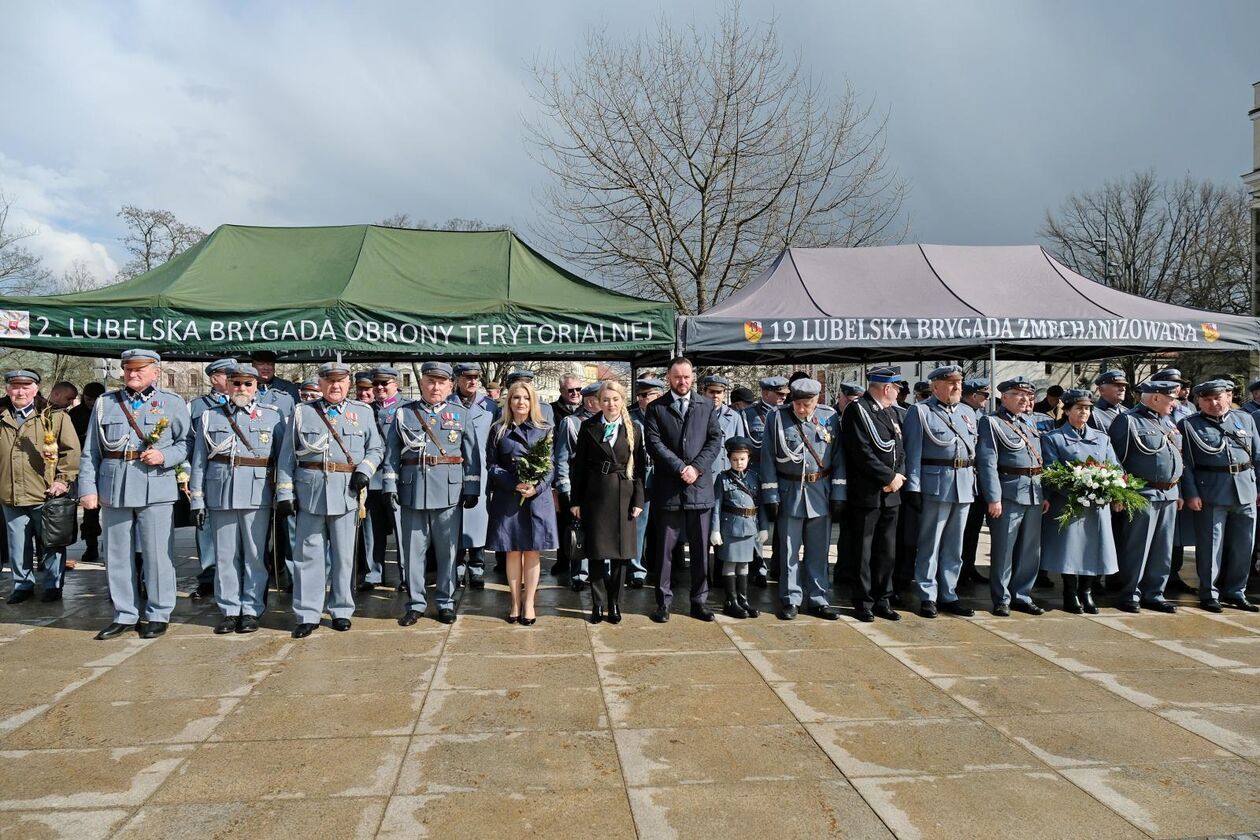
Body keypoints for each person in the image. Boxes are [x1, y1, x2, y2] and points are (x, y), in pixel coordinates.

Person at [80, 349, 191, 640]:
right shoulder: (106, 403)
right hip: (114, 488)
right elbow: (92, 451)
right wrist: (88, 489)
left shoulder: (171, 402)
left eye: (140, 369)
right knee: (116, 556)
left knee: (157, 555)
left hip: (155, 486)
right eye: (128, 369)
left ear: (156, 371)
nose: (133, 374)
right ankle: (125, 614)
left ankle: (158, 612)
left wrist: (165, 455)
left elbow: (186, 444)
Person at [275, 361, 383, 638]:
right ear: (320, 383)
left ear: (348, 384)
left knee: (344, 556)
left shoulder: (362, 412)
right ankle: (307, 613)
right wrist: (285, 492)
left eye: (340, 381)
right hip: (309, 492)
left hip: (345, 491)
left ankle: (342, 609)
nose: (335, 386)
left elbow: (376, 448)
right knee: (307, 556)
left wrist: (365, 471)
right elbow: (287, 455)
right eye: (329, 381)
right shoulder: (302, 412)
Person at [188, 364, 285, 634]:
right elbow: (198, 462)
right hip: (221, 494)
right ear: (227, 385)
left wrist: (284, 493)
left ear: (256, 387)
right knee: (225, 556)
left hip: (257, 495)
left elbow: (282, 459)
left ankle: (252, 609)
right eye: (236, 383)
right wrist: (197, 499)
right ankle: (230, 609)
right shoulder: (209, 417)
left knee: (255, 556)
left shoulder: (273, 417)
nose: (241, 389)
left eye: (247, 384)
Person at [386, 362, 480, 627]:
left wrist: (471, 488)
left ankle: (445, 602)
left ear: (450, 385)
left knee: (448, 552)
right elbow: (391, 454)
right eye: (430, 381)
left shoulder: (460, 414)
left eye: (441, 382)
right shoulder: (404, 414)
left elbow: (472, 457)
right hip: (412, 491)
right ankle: (415, 603)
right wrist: (390, 486)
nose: (435, 387)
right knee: (412, 552)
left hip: (449, 493)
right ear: (422, 382)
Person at [644, 357, 722, 622]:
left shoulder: (706, 405)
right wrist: (680, 467)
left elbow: (714, 440)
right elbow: (654, 443)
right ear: (669, 378)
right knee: (664, 551)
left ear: (693, 378)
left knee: (701, 551)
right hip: (669, 490)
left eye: (687, 377)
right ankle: (663, 602)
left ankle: (699, 601)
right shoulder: (656, 408)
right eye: (677, 377)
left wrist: (696, 468)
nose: (682, 382)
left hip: (699, 489)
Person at [760, 378, 844, 621]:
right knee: (788, 552)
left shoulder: (830, 418)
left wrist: (839, 493)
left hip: (820, 491)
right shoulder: (777, 418)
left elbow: (839, 459)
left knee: (819, 551)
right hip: (789, 492)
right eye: (797, 404)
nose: (800, 409)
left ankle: (818, 599)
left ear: (816, 401)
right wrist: (771, 494)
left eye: (806, 404)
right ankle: (790, 598)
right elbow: (767, 458)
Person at [904, 365, 979, 619]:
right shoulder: (921, 412)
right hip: (935, 485)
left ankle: (949, 593)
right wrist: (913, 486)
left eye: (959, 383)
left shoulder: (968, 412)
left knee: (954, 546)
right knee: (930, 544)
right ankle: (927, 594)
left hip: (964, 484)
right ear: (935, 387)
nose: (956, 387)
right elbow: (912, 452)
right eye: (950, 383)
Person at [1180, 379, 1260, 613]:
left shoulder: (1245, 419)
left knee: (1244, 546)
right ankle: (1209, 592)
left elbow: (1257, 457)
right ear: (1198, 401)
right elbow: (1186, 465)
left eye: (1217, 397)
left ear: (1229, 395)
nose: (1213, 403)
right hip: (1211, 493)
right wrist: (1192, 493)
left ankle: (1236, 591)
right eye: (1206, 399)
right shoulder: (1189, 425)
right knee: (1210, 546)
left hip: (1245, 490)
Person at [0, 370, 79, 603]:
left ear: (36, 390)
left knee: (51, 542)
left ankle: (53, 585)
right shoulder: (1, 415)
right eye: (15, 387)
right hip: (9, 493)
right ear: (7, 390)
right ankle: (22, 585)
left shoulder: (54, 417)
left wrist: (62, 481)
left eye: (26, 387)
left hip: (45, 493)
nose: (20, 392)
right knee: (17, 544)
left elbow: (71, 452)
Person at [571, 380, 645, 624]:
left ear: (622, 400)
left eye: (615, 399)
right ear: (597, 403)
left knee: (621, 556)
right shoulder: (589, 427)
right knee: (596, 554)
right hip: (596, 497)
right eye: (605, 400)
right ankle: (598, 603)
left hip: (624, 496)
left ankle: (614, 603)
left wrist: (638, 500)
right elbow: (578, 467)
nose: (610, 404)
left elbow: (641, 470)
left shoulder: (633, 428)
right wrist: (576, 501)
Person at [1108, 379, 1184, 614]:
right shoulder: (1128, 420)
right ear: (1156, 397)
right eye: (1171, 398)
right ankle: (1131, 592)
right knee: (1137, 546)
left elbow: (1176, 457)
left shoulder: (1167, 420)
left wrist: (1178, 490)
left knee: (1163, 548)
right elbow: (1115, 461)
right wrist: (1119, 494)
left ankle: (1155, 593)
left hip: (1169, 493)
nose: (1175, 403)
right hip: (1143, 493)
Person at [1040, 389, 1119, 613]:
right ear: (1066, 411)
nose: (1084, 412)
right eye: (1079, 408)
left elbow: (1115, 467)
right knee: (1070, 549)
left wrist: (1109, 487)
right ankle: (1070, 592)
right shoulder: (1053, 438)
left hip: (1098, 503)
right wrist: (1078, 490)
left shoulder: (1102, 438)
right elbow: (1051, 471)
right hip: (1070, 502)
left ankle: (1087, 591)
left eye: (1087, 408)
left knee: (1094, 548)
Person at [486, 379, 556, 625]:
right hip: (509, 498)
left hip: (536, 499)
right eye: (516, 397)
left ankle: (529, 604)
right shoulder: (498, 430)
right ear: (509, 401)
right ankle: (514, 602)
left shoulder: (544, 428)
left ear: (532, 401)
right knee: (512, 552)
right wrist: (511, 482)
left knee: (532, 551)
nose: (521, 402)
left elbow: (551, 467)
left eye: (526, 398)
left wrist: (536, 487)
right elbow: (491, 465)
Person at [976, 377, 1048, 616]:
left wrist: (1044, 493)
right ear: (1004, 397)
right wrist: (993, 498)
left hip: (1034, 492)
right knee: (1004, 549)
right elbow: (988, 463)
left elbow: (1041, 462)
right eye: (1018, 394)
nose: (1025, 399)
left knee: (1030, 550)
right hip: (1009, 493)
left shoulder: (1032, 423)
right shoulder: (992, 422)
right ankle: (1002, 597)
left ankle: (1022, 595)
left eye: (1028, 395)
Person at [842, 367, 906, 622]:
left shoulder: (891, 412)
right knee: (863, 551)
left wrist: (897, 477)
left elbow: (900, 448)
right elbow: (861, 452)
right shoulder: (858, 411)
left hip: (892, 493)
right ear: (886, 388)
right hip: (867, 492)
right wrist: (887, 478)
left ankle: (883, 598)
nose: (898, 393)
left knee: (887, 550)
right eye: (896, 389)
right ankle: (863, 601)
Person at [186, 358, 236, 600]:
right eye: (225, 375)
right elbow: (187, 442)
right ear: (214, 378)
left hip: (238, 475)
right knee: (205, 527)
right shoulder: (198, 406)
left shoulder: (246, 402)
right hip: (207, 475)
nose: (229, 379)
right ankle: (208, 576)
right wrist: (185, 473)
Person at [450, 362, 499, 590]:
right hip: (451, 471)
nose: (472, 381)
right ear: (457, 379)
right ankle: (457, 566)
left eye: (475, 377)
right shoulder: (447, 404)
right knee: (454, 521)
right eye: (467, 377)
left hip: (480, 471)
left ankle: (477, 566)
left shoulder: (490, 407)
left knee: (478, 522)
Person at [358, 367, 403, 591]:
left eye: (385, 383)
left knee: (403, 531)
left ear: (396, 384)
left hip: (398, 478)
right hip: (373, 479)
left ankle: (406, 574)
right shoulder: (365, 410)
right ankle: (373, 574)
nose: (380, 388)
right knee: (372, 531)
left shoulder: (407, 408)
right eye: (376, 384)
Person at [742, 375, 789, 586]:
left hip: (781, 479)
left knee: (783, 525)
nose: (782, 398)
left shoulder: (788, 414)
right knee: (754, 523)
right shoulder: (749, 415)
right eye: (778, 394)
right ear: (765, 393)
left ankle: (778, 567)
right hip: (756, 476)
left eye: (784, 395)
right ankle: (758, 567)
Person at [552, 381, 600, 589]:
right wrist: (564, 489)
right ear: (590, 402)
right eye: (602, 399)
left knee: (601, 531)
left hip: (603, 487)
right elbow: (561, 458)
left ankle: (600, 573)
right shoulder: (571, 423)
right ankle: (580, 574)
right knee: (579, 531)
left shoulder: (611, 422)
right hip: (579, 487)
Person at [710, 436, 763, 618]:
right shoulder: (723, 478)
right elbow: (716, 506)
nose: (739, 463)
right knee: (730, 563)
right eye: (735, 459)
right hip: (730, 528)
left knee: (744, 565)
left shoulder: (755, 478)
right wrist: (715, 530)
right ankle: (730, 601)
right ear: (729, 459)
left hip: (749, 528)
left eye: (742, 459)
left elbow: (760, 505)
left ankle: (743, 600)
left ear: (749, 459)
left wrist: (763, 528)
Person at [628, 377, 665, 588]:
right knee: (638, 528)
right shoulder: (631, 419)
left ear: (658, 396)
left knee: (664, 529)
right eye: (639, 395)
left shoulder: (667, 416)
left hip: (665, 478)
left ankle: (662, 568)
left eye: (645, 395)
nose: (640, 399)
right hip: (641, 479)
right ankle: (636, 570)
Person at [69, 381, 106, 565]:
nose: (91, 403)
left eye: (95, 399)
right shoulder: (75, 414)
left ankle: (109, 544)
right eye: (88, 399)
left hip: (106, 463)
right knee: (90, 510)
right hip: (85, 464)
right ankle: (91, 545)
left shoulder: (107, 409)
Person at [958, 378, 991, 587]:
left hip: (978, 482)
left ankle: (968, 566)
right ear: (973, 395)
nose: (987, 400)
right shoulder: (961, 413)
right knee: (961, 530)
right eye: (985, 395)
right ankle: (959, 569)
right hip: (964, 479)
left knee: (973, 529)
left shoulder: (982, 416)